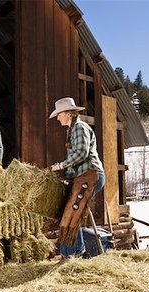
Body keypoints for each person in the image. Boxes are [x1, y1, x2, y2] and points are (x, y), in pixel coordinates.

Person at [49, 97, 105, 258]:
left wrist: (61, 165)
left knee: (72, 212)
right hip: (82, 177)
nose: (58, 118)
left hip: (90, 175)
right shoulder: (72, 130)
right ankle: (72, 253)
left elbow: (81, 153)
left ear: (68, 114)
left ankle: (73, 255)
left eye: (59, 115)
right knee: (71, 212)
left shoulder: (80, 127)